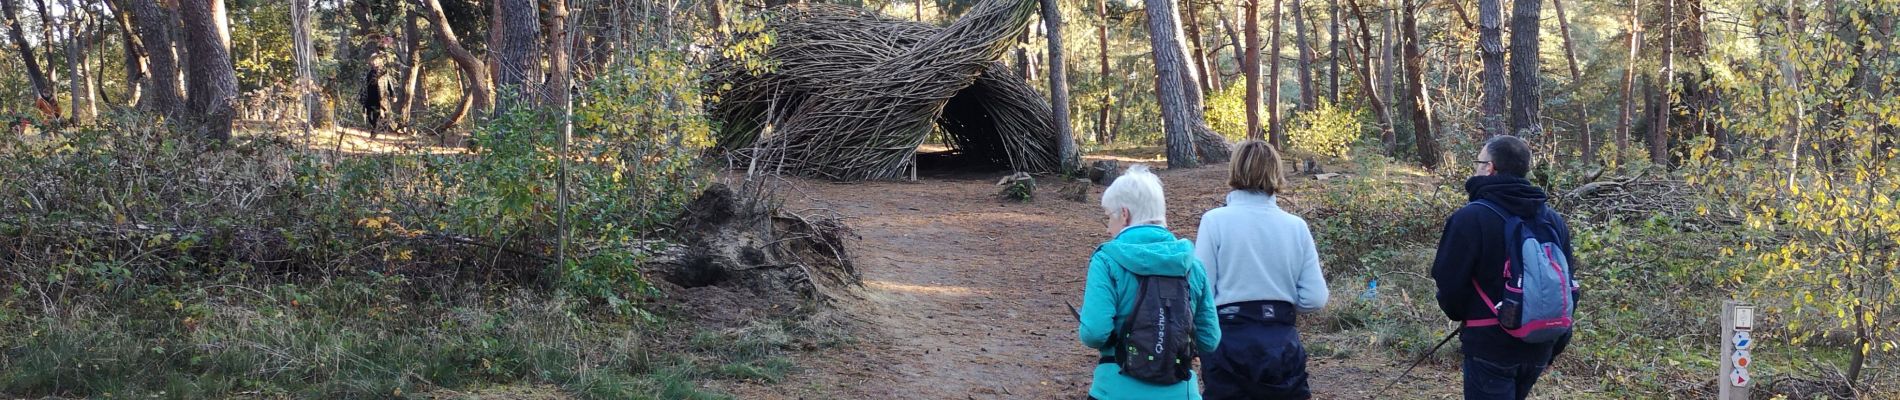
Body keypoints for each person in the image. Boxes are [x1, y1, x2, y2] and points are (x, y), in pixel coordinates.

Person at [1431, 135, 1578, 400]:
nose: (1476, 168)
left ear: (1490, 168)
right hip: (1541, 342)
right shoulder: (1552, 219)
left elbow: (1449, 282)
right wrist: (1554, 346)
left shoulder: (1470, 217)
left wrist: (1466, 319)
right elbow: (1568, 283)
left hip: (1489, 345)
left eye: (1479, 161)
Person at [1194, 140, 1329, 400]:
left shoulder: (1214, 221)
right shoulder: (1295, 226)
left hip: (1227, 343)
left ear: (1235, 170)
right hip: (1281, 343)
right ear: (1276, 173)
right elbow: (1315, 297)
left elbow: (1201, 294)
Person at [1078, 165, 1221, 400]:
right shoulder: (1192, 265)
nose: (1108, 227)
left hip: (1114, 390)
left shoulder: (1106, 260)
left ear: (1125, 214)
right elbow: (1209, 340)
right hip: (1181, 392)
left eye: (1109, 217)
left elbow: (1094, 333)